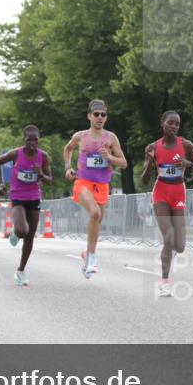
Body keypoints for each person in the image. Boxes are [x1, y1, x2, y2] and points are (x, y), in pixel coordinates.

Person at [63, 99, 128, 279]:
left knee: (97, 222)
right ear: (89, 116)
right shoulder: (80, 136)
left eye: (103, 114)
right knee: (94, 214)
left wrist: (109, 157)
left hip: (102, 185)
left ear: (106, 118)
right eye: (96, 114)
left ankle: (87, 255)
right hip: (83, 182)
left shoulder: (111, 138)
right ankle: (92, 258)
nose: (100, 117)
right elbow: (67, 149)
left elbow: (123, 163)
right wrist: (68, 168)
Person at [141, 110, 193, 297]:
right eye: (171, 123)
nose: (174, 127)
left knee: (181, 246)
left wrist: (189, 164)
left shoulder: (186, 145)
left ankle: (170, 251)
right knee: (168, 237)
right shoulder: (153, 147)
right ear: (163, 124)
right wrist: (150, 163)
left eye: (177, 124)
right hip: (160, 193)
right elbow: (145, 180)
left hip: (178, 193)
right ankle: (164, 282)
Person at [0, 126, 53, 287]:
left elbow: (49, 180)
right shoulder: (16, 154)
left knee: (29, 237)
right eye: (29, 140)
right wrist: (0, 184)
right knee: (22, 230)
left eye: (35, 139)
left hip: (34, 198)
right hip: (18, 197)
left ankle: (20, 271)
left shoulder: (43, 157)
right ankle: (15, 232)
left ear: (39, 140)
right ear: (24, 140)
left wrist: (40, 173)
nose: (33, 143)